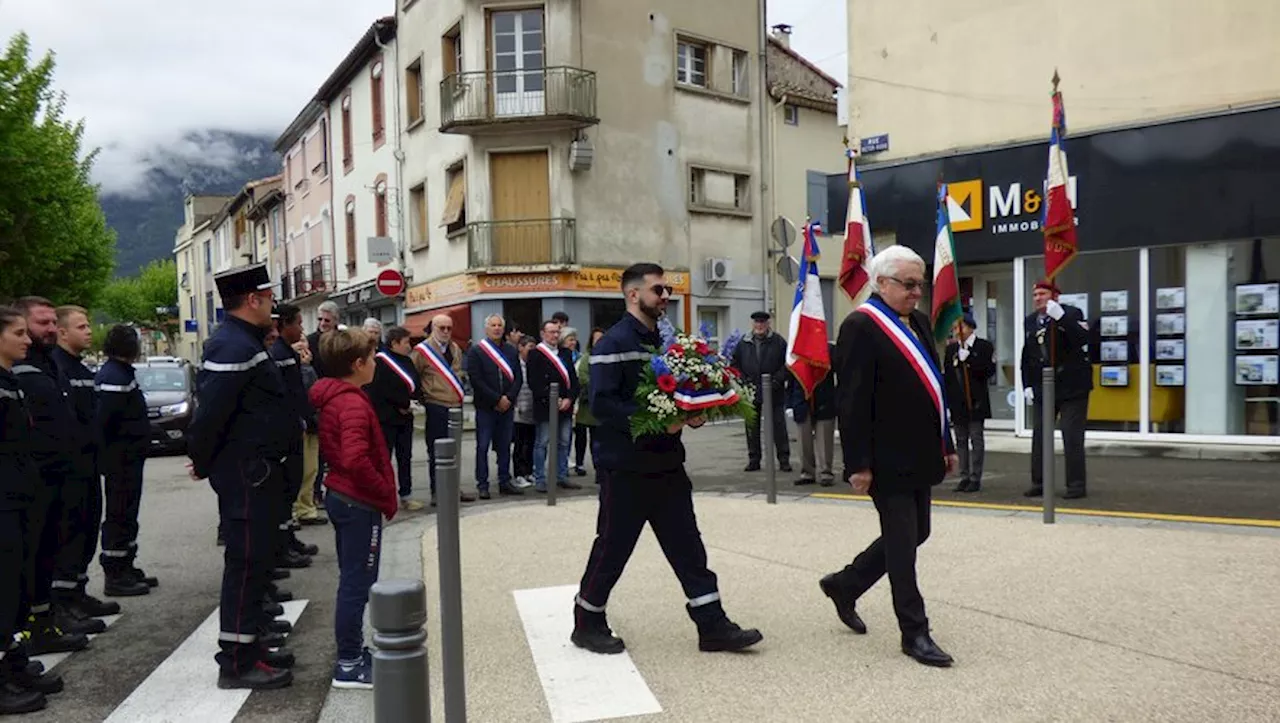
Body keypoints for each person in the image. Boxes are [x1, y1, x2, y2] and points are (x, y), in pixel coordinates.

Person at [571, 262, 763, 655]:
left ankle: (712, 625)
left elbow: (678, 391)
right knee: (613, 547)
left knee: (688, 546)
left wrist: (692, 412)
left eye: (667, 291)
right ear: (633, 294)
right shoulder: (612, 343)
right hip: (625, 467)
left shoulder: (667, 343)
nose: (665, 297)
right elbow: (604, 406)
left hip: (666, 464)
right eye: (658, 290)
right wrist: (664, 422)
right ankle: (586, 621)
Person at [819, 245, 958, 668]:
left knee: (918, 534)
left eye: (920, 284)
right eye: (909, 284)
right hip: (884, 458)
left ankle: (846, 583)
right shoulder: (861, 326)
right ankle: (914, 632)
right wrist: (857, 463)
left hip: (920, 452)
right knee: (902, 544)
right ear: (881, 283)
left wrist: (946, 443)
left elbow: (935, 388)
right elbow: (852, 400)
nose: (917, 292)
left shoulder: (915, 321)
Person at [187, 263, 297, 690]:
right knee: (246, 567)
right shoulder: (231, 346)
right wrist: (203, 460)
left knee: (257, 565)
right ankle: (235, 662)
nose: (272, 305)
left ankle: (249, 648)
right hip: (248, 477)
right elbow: (209, 414)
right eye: (268, 298)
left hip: (259, 475)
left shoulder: (244, 341)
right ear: (252, 300)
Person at [310, 329, 398, 690]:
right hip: (357, 501)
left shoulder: (340, 397)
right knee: (357, 583)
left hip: (344, 497)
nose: (376, 363)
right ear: (358, 364)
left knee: (353, 579)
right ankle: (348, 662)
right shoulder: (351, 403)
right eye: (373, 358)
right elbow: (355, 458)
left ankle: (352, 653)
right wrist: (382, 493)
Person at [11, 297, 89, 655]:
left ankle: (45, 623)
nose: (49, 329)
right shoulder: (20, 370)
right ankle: (30, 631)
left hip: (61, 476)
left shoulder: (48, 365)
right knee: (29, 562)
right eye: (41, 323)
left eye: (52, 323)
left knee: (49, 555)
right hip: (34, 481)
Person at [52, 307, 133, 621]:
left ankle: (78, 592)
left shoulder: (80, 369)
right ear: (62, 332)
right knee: (69, 532)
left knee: (85, 530)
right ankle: (64, 598)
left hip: (88, 463)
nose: (89, 331)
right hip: (70, 465)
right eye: (81, 326)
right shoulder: (59, 369)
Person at [0, 306, 60, 715]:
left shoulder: (9, 381)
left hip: (20, 497)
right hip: (4, 499)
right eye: (18, 332)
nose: (27, 339)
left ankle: (13, 663)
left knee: (15, 589)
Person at [93, 325, 155, 601]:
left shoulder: (121, 373)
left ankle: (126, 565)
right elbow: (107, 420)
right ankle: (115, 573)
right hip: (121, 458)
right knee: (120, 514)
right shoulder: (114, 377)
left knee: (128, 514)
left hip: (129, 457)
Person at [1020, 279, 1092, 499]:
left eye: (1042, 293)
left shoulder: (1072, 313)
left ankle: (1076, 485)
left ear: (1055, 296)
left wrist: (1061, 317)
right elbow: (1028, 354)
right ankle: (1039, 482)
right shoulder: (1031, 321)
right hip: (1045, 385)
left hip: (1072, 386)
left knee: (1071, 436)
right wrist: (1027, 384)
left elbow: (1082, 339)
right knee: (1040, 436)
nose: (1038, 298)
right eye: (1035, 295)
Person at [268, 304, 319, 569]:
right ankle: (281, 544)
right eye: (298, 323)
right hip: (286, 430)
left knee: (291, 485)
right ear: (284, 324)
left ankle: (288, 538)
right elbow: (286, 395)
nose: (301, 328)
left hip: (295, 426)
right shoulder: (278, 353)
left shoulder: (286, 351)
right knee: (285, 489)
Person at [411, 315, 476, 507]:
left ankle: (454, 488)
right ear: (433, 328)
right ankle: (437, 491)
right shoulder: (422, 351)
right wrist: (423, 398)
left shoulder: (455, 348)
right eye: (442, 328)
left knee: (454, 451)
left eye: (449, 328)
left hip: (455, 405)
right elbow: (414, 375)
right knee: (437, 451)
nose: (446, 332)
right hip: (436, 404)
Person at [463, 315, 524, 499]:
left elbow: (518, 378)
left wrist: (509, 398)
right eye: (493, 325)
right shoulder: (476, 351)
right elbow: (476, 380)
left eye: (499, 325)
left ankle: (505, 481)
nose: (497, 328)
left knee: (505, 446)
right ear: (486, 328)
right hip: (486, 407)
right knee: (482, 447)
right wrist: (497, 399)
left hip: (507, 407)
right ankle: (483, 484)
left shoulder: (511, 351)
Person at [365, 326, 422, 510]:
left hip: (406, 419)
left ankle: (406, 494)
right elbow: (380, 391)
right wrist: (403, 404)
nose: (409, 346)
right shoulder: (380, 362)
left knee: (405, 457)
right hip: (387, 419)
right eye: (406, 342)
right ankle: (381, 495)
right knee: (384, 458)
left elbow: (416, 384)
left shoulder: (407, 361)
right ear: (395, 343)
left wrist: (415, 401)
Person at [526, 320, 581, 494]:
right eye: (551, 332)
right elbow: (534, 382)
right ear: (543, 333)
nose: (555, 335)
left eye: (557, 332)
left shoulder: (565, 353)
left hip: (565, 406)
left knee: (564, 442)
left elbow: (574, 381)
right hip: (545, 406)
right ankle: (540, 478)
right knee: (542, 443)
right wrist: (551, 398)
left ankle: (561, 476)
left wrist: (569, 399)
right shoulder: (535, 354)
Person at [733, 311, 791, 473]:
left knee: (778, 425)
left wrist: (777, 380)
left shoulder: (778, 341)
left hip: (774, 390)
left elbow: (787, 364)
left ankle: (783, 459)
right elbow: (735, 364)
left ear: (768, 324)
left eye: (762, 323)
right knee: (752, 426)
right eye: (757, 323)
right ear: (753, 324)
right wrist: (743, 380)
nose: (759, 326)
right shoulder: (743, 343)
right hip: (751, 390)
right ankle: (754, 459)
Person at [944, 314, 996, 493]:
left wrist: (970, 361)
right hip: (958, 403)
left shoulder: (984, 346)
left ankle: (976, 477)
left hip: (976, 401)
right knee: (960, 440)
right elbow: (949, 378)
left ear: (971, 328)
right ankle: (964, 476)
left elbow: (988, 371)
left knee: (976, 439)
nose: (957, 332)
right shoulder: (951, 350)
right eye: (955, 328)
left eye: (961, 327)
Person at [787, 346, 838, 487]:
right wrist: (790, 404)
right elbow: (791, 377)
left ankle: (826, 472)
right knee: (804, 440)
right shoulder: (795, 350)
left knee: (825, 440)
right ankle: (807, 472)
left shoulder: (829, 350)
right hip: (801, 400)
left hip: (824, 400)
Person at [574, 328, 606, 482]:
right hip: (587, 405)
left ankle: (599, 469)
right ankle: (579, 463)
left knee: (598, 440)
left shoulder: (608, 357)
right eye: (596, 339)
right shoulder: (586, 358)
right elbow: (583, 377)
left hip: (601, 407)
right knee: (581, 437)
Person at [512, 336, 537, 487]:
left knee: (532, 443)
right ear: (520, 347)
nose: (532, 351)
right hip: (519, 409)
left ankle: (529, 471)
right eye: (529, 347)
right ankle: (518, 473)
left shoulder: (535, 365)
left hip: (533, 409)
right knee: (519, 444)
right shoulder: (515, 364)